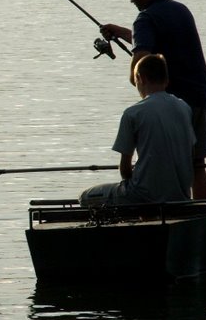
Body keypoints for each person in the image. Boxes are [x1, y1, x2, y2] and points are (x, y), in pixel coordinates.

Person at [99, 0, 206, 199]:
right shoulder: (180, 10)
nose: (131, 0)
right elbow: (157, 38)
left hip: (172, 103)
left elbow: (141, 59)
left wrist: (135, 76)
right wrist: (121, 32)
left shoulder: (145, 18)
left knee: (162, 162)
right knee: (197, 165)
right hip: (200, 94)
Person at [80, 54, 195, 206]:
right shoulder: (184, 108)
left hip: (144, 196)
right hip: (181, 196)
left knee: (85, 197)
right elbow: (191, 154)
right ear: (166, 80)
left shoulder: (133, 113)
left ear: (140, 78)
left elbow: (125, 169)